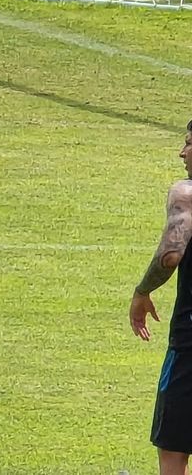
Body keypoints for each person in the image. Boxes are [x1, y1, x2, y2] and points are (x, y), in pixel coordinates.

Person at [129, 119, 192, 475]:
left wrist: (143, 291)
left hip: (190, 345)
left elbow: (171, 255)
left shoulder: (187, 194)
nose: (182, 152)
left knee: (174, 449)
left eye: (189, 143)